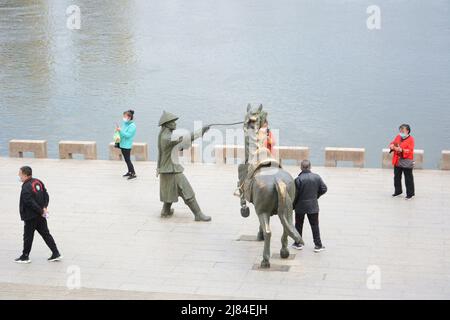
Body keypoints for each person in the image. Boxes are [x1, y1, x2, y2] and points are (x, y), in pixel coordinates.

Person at [156, 111, 211, 222]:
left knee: (170, 190)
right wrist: (201, 131)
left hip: (166, 170)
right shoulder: (167, 138)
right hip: (171, 170)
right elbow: (186, 138)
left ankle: (165, 211)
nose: (175, 124)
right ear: (166, 124)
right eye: (173, 122)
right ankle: (198, 214)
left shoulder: (163, 135)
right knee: (187, 190)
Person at [15, 166, 61, 264]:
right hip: (40, 215)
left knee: (28, 236)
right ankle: (56, 253)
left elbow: (29, 202)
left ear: (25, 175)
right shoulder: (38, 182)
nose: (19, 176)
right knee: (46, 234)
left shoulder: (26, 186)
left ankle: (25, 256)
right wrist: (44, 207)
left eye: (20, 174)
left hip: (31, 216)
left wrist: (41, 210)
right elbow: (46, 195)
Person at [291, 160, 327, 252]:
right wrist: (316, 196)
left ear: (301, 167)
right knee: (315, 225)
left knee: (298, 225)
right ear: (310, 167)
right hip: (313, 206)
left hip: (300, 206)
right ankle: (318, 245)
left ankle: (298, 243)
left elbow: (295, 195)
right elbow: (324, 189)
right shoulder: (317, 177)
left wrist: (293, 206)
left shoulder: (298, 179)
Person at [389, 124, 415, 200]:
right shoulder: (398, 137)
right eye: (400, 131)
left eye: (402, 131)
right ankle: (398, 191)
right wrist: (391, 145)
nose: (401, 132)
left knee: (408, 178)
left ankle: (410, 194)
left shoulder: (411, 139)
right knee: (396, 177)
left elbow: (410, 150)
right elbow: (393, 143)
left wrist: (401, 150)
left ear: (407, 131)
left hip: (406, 161)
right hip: (397, 160)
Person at [116, 109, 137, 180]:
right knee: (126, 159)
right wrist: (118, 131)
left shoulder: (132, 126)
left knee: (128, 160)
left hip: (127, 145)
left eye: (125, 116)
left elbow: (128, 135)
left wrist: (120, 131)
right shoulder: (125, 124)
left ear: (129, 117)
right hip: (122, 144)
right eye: (123, 116)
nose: (124, 118)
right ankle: (129, 171)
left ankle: (133, 173)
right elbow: (122, 133)